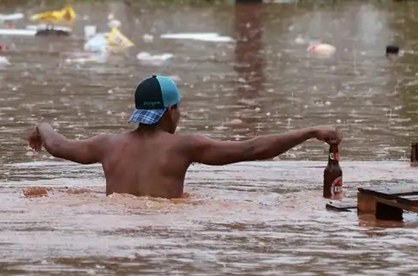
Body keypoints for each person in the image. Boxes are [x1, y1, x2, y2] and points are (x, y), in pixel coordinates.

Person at [26, 75, 341, 199]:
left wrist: (42, 126)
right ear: (170, 110)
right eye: (178, 110)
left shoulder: (107, 145)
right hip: (165, 232)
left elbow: (58, 145)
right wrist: (310, 131)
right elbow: (253, 149)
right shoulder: (184, 146)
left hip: (115, 222)